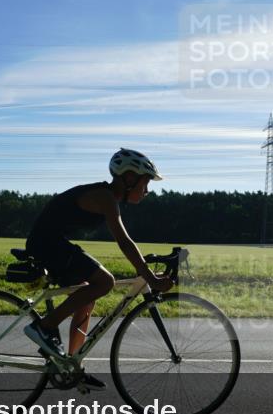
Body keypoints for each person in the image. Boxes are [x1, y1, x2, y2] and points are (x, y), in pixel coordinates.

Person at [23, 148, 174, 390]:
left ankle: (70, 364)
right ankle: (44, 327)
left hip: (52, 241)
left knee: (87, 295)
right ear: (129, 178)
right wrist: (150, 278)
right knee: (105, 282)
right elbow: (124, 241)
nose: (146, 191)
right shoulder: (105, 197)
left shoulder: (107, 197)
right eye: (144, 183)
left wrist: (148, 274)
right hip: (46, 243)